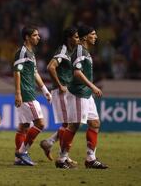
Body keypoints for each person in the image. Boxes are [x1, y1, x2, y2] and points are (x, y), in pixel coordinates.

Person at [66, 25, 108, 169]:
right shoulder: (79, 50)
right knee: (75, 125)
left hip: (86, 94)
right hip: (78, 93)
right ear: (84, 37)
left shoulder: (85, 51)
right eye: (93, 34)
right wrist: (93, 86)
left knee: (95, 123)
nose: (96, 37)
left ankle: (91, 159)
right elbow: (77, 73)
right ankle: (62, 158)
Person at [39, 27, 80, 168]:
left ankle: (51, 143)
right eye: (76, 37)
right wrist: (59, 85)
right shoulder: (63, 50)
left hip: (67, 90)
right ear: (69, 38)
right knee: (68, 124)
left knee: (69, 124)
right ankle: (63, 157)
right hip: (61, 91)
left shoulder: (69, 52)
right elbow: (51, 67)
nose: (78, 39)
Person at [13, 26, 52, 166]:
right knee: (40, 123)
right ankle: (22, 152)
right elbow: (17, 72)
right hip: (26, 94)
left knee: (23, 126)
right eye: (35, 35)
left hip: (29, 92)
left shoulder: (31, 53)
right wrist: (18, 93)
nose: (38, 37)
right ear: (27, 37)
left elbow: (35, 73)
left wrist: (45, 90)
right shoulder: (22, 52)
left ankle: (19, 159)